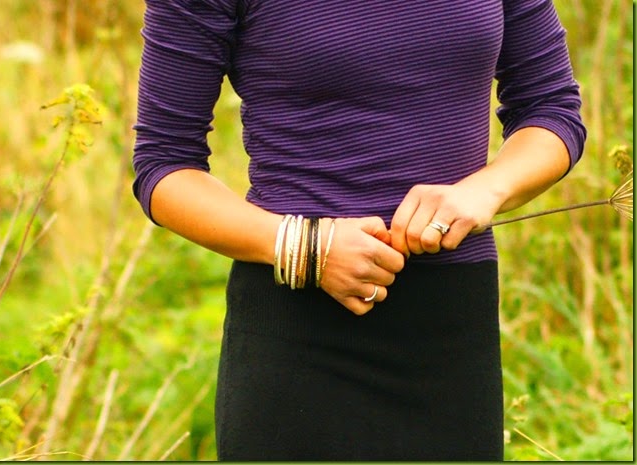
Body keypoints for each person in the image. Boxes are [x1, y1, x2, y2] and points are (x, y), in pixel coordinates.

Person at [132, 0, 586, 460]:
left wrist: (485, 190)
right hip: (298, 331)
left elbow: (551, 108)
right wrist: (305, 246)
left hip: (452, 330)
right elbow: (164, 166)